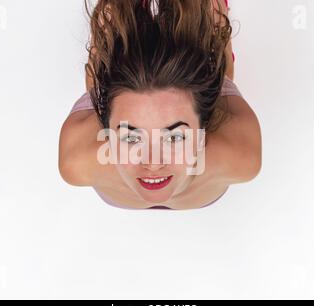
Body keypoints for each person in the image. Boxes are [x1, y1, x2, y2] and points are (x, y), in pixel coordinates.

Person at [59, 0, 262, 210]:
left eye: (174, 137)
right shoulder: (78, 161)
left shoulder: (239, 155)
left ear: (204, 131)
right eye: (131, 137)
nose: (153, 164)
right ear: (107, 133)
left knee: (216, 48)